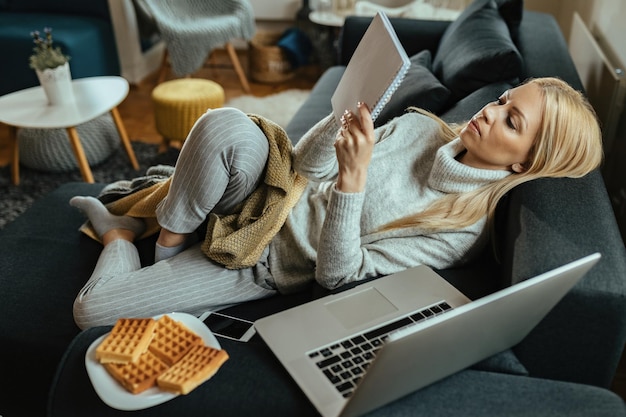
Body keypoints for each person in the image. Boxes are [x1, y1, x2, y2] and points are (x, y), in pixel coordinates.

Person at [70, 77, 603, 329]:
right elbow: (305, 168)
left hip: (266, 265)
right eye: (505, 98)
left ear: (524, 164)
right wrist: (345, 113)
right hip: (271, 191)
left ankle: (120, 234)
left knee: (90, 311)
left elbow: (337, 278)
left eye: (512, 121)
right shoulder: (420, 126)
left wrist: (354, 181)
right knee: (222, 125)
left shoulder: (459, 231)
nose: (492, 110)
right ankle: (169, 242)